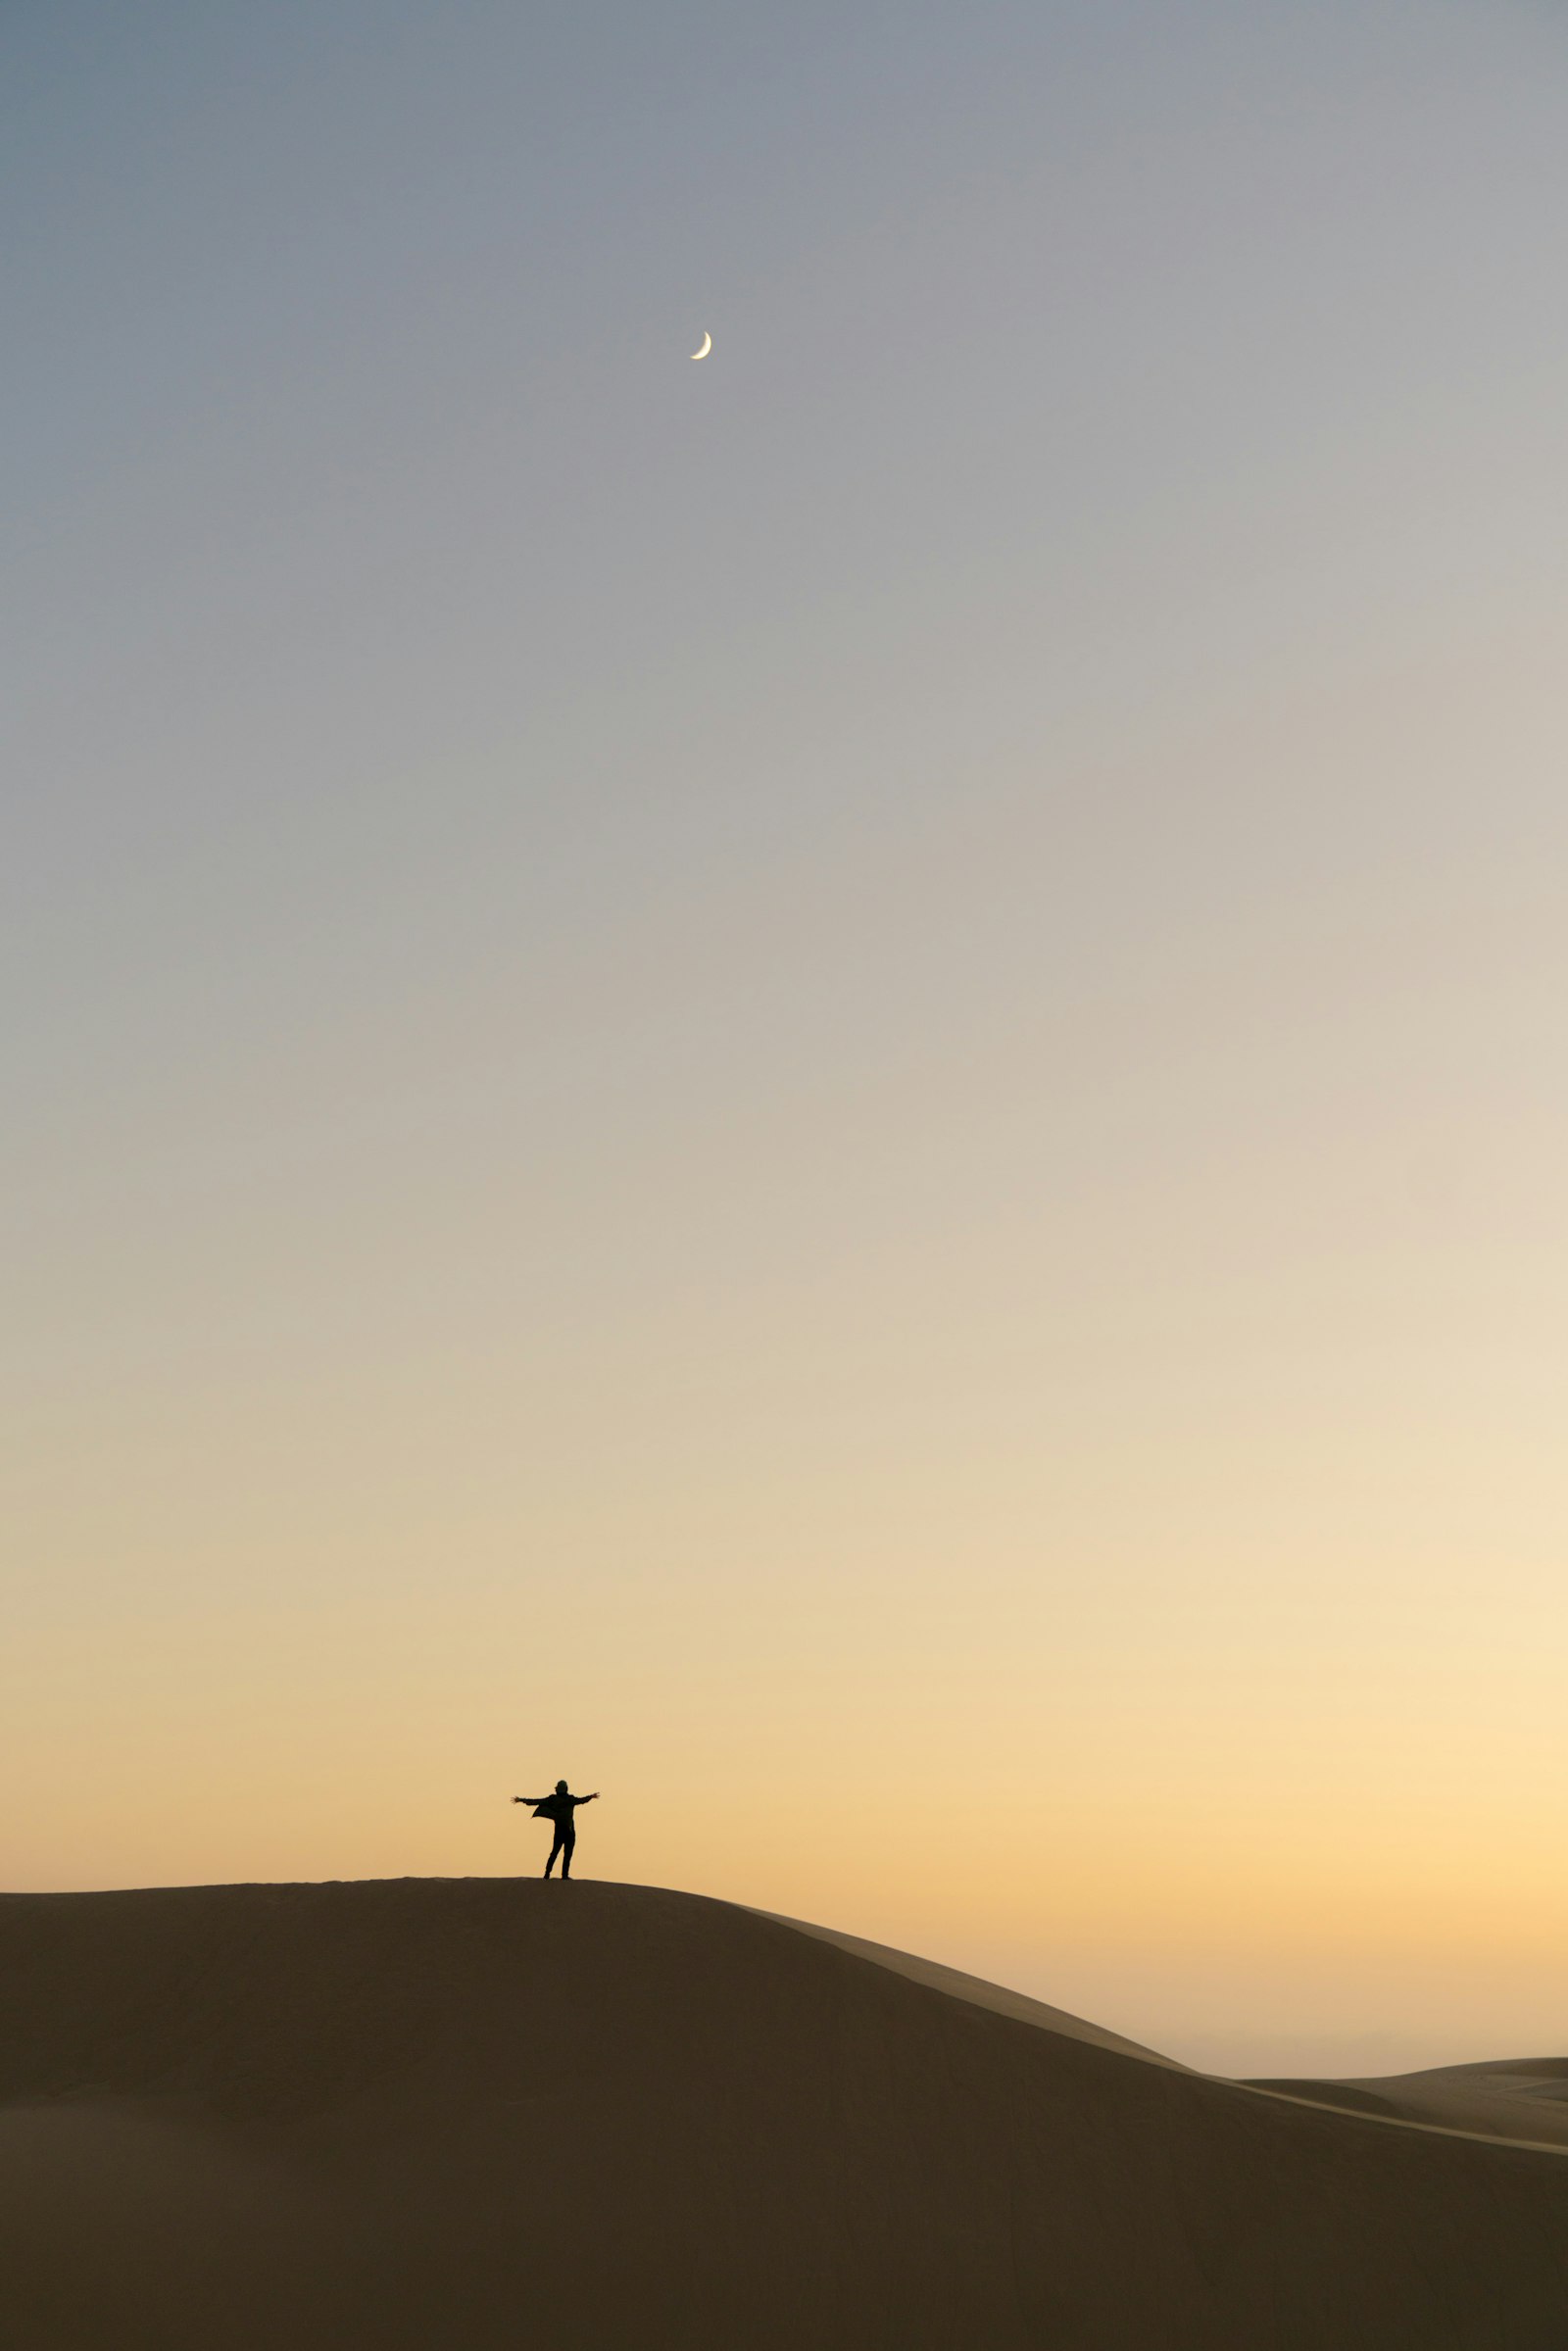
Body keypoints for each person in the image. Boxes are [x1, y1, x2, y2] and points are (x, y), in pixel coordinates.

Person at [513, 1780, 599, 1879]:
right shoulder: (570, 1799)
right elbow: (581, 1800)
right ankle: (564, 1875)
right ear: (566, 1789)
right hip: (569, 1831)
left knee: (555, 1852)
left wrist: (521, 1800)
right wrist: (591, 1797)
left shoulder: (553, 1799)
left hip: (559, 1830)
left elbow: (537, 1801)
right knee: (567, 1854)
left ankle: (547, 1873)